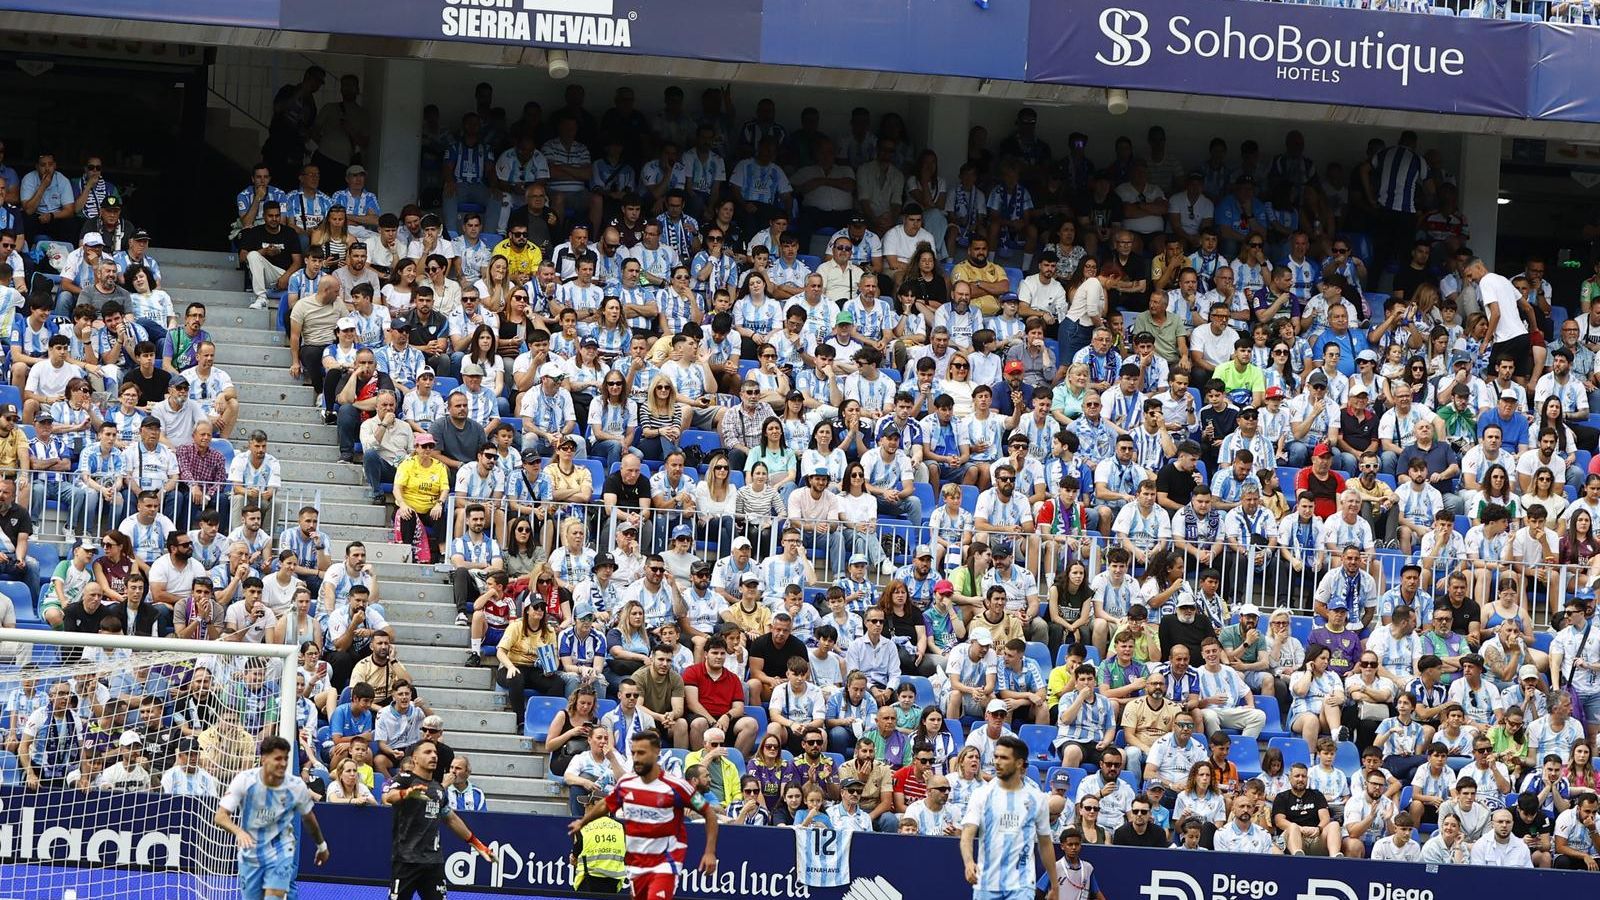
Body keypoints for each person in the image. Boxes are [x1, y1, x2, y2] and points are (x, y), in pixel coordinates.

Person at [568, 731, 719, 900]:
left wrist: (710, 852)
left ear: (655, 753)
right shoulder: (628, 783)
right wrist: (583, 821)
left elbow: (709, 813)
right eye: (633, 753)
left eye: (641, 753)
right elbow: (606, 804)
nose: (636, 758)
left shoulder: (677, 786)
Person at [214, 736, 330, 900]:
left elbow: (308, 818)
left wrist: (322, 845)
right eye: (278, 758)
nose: (283, 763)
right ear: (263, 759)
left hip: (281, 850)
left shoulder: (296, 786)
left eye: (285, 759)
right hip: (251, 853)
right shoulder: (244, 780)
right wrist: (239, 832)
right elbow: (220, 816)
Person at [382, 740, 494, 900]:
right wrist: (406, 794)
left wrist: (477, 844)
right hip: (406, 861)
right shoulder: (405, 779)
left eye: (435, 752)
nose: (434, 756)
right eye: (427, 752)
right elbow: (388, 797)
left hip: (433, 863)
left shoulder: (437, 788)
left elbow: (451, 818)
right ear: (414, 758)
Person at [959, 734, 1058, 900]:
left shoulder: (1037, 799)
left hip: (1022, 885)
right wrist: (968, 862)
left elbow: (1045, 843)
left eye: (1004, 758)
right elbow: (967, 834)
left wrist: (1054, 884)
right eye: (996, 756)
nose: (997, 762)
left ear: (1019, 763)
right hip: (985, 884)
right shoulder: (981, 794)